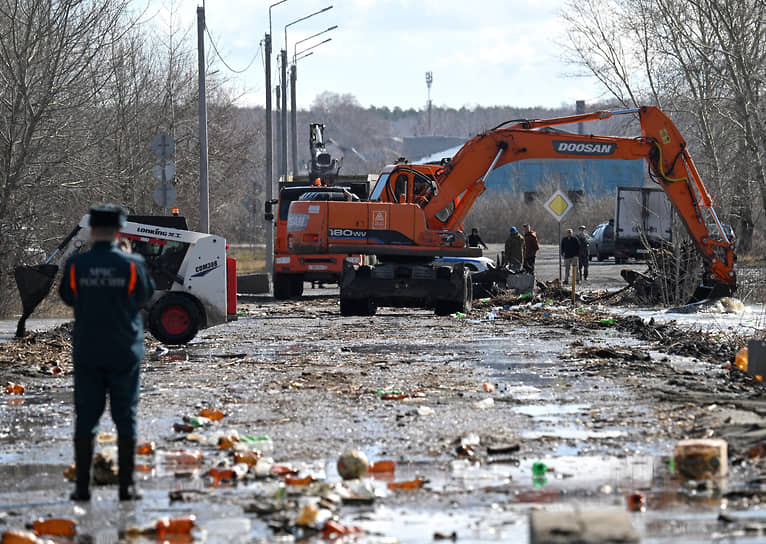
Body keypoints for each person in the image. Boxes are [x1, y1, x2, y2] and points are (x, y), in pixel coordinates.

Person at [59, 204, 154, 502]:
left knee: (86, 416)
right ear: (118, 230)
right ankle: (127, 487)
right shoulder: (132, 264)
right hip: (124, 349)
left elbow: (68, 297)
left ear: (91, 230)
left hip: (88, 349)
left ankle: (83, 488)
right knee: (125, 415)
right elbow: (144, 296)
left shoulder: (76, 265)